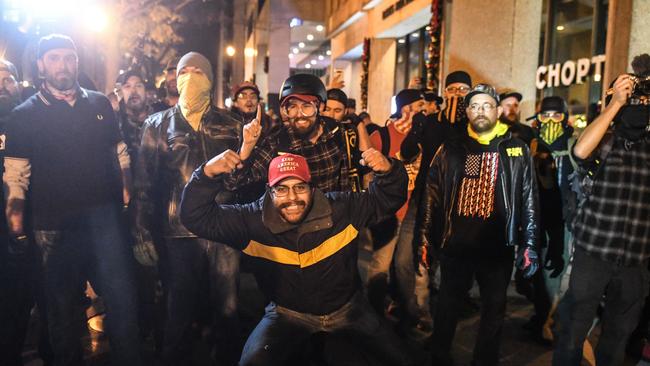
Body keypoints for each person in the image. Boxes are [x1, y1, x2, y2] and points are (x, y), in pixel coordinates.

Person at [180, 150, 413, 366]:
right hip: (288, 314)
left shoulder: (341, 209)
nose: (292, 198)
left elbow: (387, 199)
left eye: (299, 187)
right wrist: (207, 174)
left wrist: (389, 170)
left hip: (348, 309)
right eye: (281, 189)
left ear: (312, 188)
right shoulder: (251, 221)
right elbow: (196, 217)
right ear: (270, 192)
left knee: (400, 359)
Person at [3, 34, 141, 366]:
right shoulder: (24, 114)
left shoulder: (99, 105)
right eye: (54, 58)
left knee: (123, 304)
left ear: (76, 61)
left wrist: (125, 191)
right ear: (41, 65)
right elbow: (16, 173)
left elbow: (118, 151)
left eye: (68, 57)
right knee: (62, 315)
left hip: (103, 223)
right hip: (53, 227)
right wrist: (16, 222)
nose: (62, 65)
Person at [133, 52, 243, 365]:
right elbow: (144, 185)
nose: (191, 77)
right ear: (175, 79)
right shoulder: (157, 124)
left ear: (210, 79)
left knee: (228, 309)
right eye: (184, 71)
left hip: (223, 227)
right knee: (178, 310)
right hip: (178, 231)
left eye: (198, 71)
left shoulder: (232, 123)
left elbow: (247, 177)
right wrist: (140, 231)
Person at [419, 84, 539, 366]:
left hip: (497, 247)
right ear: (467, 112)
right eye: (474, 106)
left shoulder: (516, 149)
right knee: (447, 306)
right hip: (456, 244)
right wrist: (423, 238)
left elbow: (529, 199)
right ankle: (439, 355)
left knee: (494, 310)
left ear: (498, 110)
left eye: (486, 105)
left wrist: (529, 243)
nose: (480, 111)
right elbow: (430, 196)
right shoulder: (452, 147)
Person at [552, 55, 650, 366]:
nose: (639, 103)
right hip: (594, 250)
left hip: (637, 257)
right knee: (573, 329)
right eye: (634, 97)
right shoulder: (606, 136)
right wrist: (616, 104)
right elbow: (580, 151)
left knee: (618, 336)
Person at [224, 74, 353, 194]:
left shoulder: (336, 131)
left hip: (334, 213)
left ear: (320, 107)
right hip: (293, 215)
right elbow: (234, 184)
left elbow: (345, 180)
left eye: (306, 106)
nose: (299, 114)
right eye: (292, 107)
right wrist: (247, 147)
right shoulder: (278, 142)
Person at [366, 89, 424, 316]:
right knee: (381, 263)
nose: (424, 111)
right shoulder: (382, 136)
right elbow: (368, 175)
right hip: (388, 212)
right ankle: (373, 313)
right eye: (419, 106)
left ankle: (407, 313)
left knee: (404, 266)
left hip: (412, 211)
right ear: (406, 108)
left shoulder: (423, 135)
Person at [322, 88, 371, 192]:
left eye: (337, 110)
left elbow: (366, 159)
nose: (331, 115)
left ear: (345, 112)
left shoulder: (349, 131)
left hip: (348, 192)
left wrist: (359, 124)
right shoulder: (313, 132)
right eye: (327, 109)